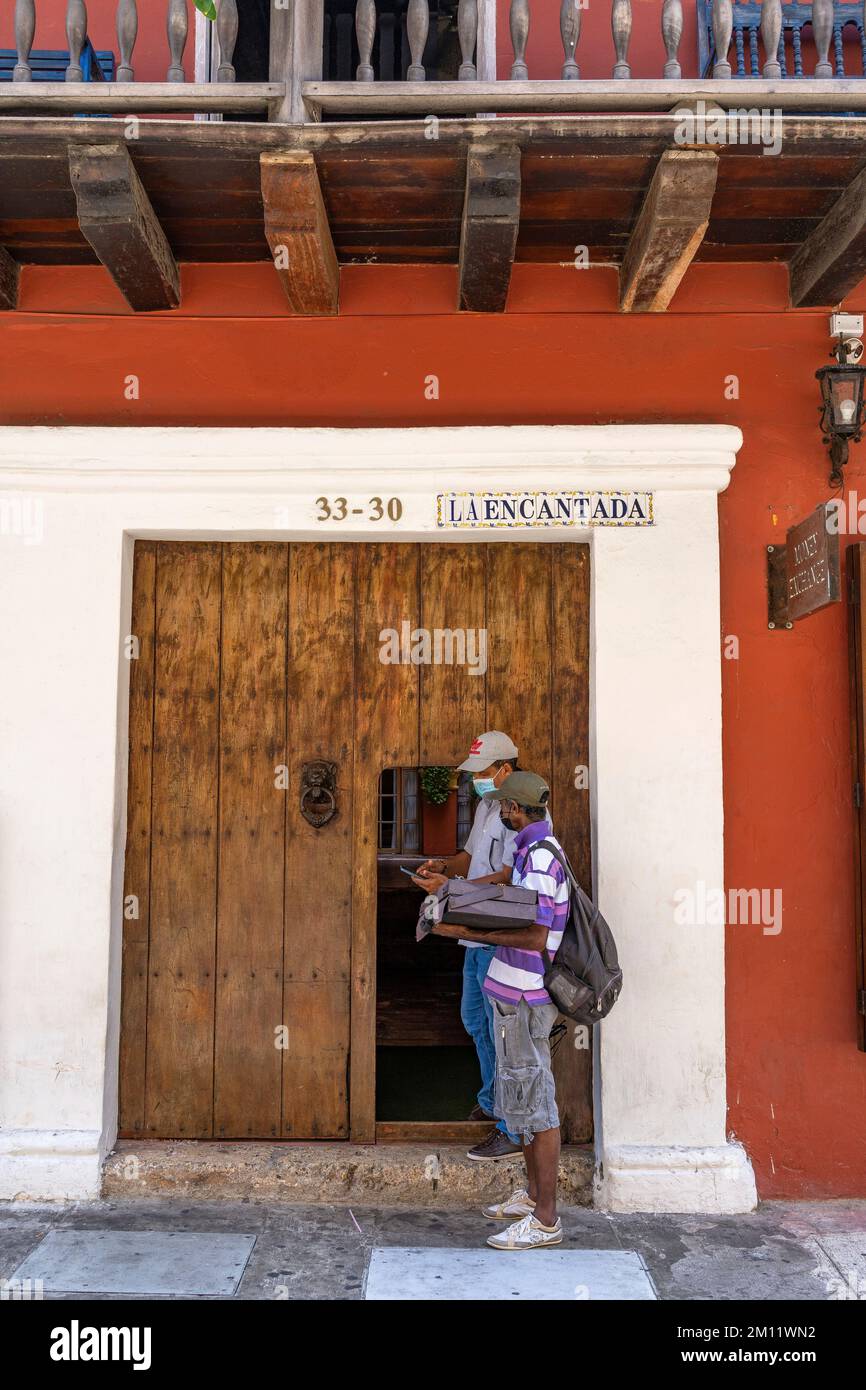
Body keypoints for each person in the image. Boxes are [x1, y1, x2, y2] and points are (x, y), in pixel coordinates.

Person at [424, 771, 569, 1251]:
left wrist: (460, 931)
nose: (501, 813)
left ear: (519, 809)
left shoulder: (542, 859)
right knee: (521, 1101)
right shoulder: (529, 853)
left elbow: (533, 934)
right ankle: (531, 1198)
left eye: (505, 807)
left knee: (537, 1105)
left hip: (527, 998)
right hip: (512, 996)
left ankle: (545, 1221)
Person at [416, 731, 524, 1160]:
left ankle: (509, 1124)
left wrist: (453, 890)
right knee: (475, 1021)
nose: (475, 780)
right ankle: (491, 1099)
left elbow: (507, 877)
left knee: (502, 1030)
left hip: (498, 935)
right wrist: (443, 867)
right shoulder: (486, 806)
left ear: (505, 770)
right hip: (474, 936)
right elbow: (470, 857)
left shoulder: (524, 815)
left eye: (481, 773)